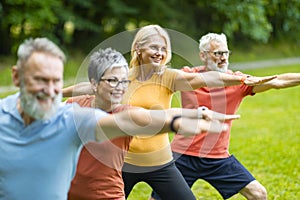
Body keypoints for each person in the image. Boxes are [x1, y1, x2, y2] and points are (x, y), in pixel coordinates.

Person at [0, 37, 233, 200]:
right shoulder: (66, 108)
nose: (49, 90)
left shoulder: (71, 119)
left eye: (55, 82)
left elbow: (134, 120)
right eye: (41, 80)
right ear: (16, 76)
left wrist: (180, 119)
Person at [63, 25, 275, 200]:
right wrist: (57, 93)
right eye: (154, 47)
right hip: (127, 162)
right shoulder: (123, 77)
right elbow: (87, 87)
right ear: (138, 48)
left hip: (160, 161)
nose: (160, 52)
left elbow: (207, 78)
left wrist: (241, 79)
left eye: (163, 48)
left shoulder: (169, 77)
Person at [151, 32, 300, 200]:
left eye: (226, 53)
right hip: (182, 156)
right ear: (203, 55)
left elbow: (277, 81)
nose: (223, 58)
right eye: (218, 53)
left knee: (258, 194)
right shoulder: (189, 76)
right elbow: (160, 77)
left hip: (218, 158)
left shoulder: (239, 81)